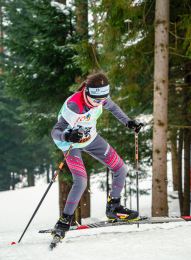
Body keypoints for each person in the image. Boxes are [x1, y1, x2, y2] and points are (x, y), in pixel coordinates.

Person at [50, 73, 143, 241]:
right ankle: (64, 221)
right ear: (87, 93)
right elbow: (55, 132)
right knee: (81, 181)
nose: (100, 103)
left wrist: (128, 122)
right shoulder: (74, 106)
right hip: (70, 144)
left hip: (91, 138)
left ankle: (113, 207)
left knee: (121, 168)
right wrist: (67, 136)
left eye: (103, 99)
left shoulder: (100, 96)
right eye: (96, 100)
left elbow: (113, 108)